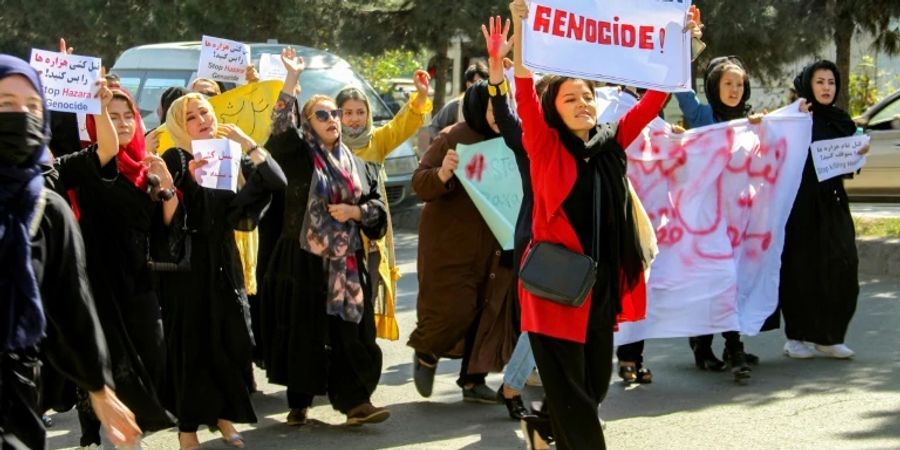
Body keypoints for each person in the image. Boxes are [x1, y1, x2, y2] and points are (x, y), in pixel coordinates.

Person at [509, 0, 668, 446]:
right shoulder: (544, 145)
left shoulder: (613, 139)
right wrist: (523, 31)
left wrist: (681, 48)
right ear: (553, 109)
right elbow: (523, 87)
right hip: (555, 289)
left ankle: (543, 428)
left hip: (600, 289)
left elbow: (655, 98)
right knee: (577, 402)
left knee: (593, 389)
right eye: (570, 98)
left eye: (588, 96)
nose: (583, 104)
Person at [0, 53, 142, 450]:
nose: (21, 117)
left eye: (32, 106)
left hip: (15, 397)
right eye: (6, 106)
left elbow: (72, 308)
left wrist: (100, 390)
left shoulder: (48, 206)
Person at [259, 49, 391, 427]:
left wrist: (356, 212)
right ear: (308, 123)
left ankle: (355, 403)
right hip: (302, 260)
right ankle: (299, 402)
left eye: (334, 113)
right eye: (323, 114)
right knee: (304, 333)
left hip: (346, 264)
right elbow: (279, 130)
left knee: (352, 332)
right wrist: (290, 81)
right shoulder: (297, 156)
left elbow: (377, 210)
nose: (332, 119)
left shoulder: (359, 164)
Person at [155, 93, 287, 449]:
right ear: (180, 126)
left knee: (229, 342)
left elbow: (276, 182)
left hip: (224, 263)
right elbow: (166, 217)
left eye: (205, 113)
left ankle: (224, 416)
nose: (202, 120)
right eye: (192, 116)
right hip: (187, 269)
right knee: (191, 346)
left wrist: (247, 144)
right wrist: (188, 184)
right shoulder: (176, 157)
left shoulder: (229, 156)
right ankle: (188, 430)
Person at [56, 84, 177, 447]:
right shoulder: (95, 166)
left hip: (140, 290)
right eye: (113, 116)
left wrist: (168, 189)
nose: (122, 123)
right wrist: (91, 101)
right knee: (116, 379)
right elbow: (106, 148)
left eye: (128, 116)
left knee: (149, 373)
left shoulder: (147, 172)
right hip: (100, 288)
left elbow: (164, 232)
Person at [409, 72, 517, 403]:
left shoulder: (514, 138)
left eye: (504, 108)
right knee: (454, 309)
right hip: (451, 245)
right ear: (475, 109)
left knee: (489, 309)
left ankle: (473, 380)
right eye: (491, 110)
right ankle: (427, 351)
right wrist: (443, 173)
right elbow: (420, 182)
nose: (499, 116)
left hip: (497, 246)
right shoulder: (453, 137)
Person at [673, 52, 764, 380]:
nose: (735, 89)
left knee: (733, 278)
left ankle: (709, 344)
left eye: (740, 84)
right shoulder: (701, 115)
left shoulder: (749, 118)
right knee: (719, 278)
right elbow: (680, 84)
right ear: (714, 85)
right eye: (728, 83)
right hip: (706, 218)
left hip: (739, 217)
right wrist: (685, 46)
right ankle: (731, 348)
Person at [335, 64, 433, 342]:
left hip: (371, 234)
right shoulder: (327, 142)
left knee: (369, 291)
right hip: (336, 234)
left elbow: (402, 124)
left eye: (360, 112)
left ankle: (362, 347)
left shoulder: (376, 141)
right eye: (348, 112)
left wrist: (421, 95)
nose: (354, 119)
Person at [777, 60, 865, 360]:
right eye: (820, 82)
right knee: (801, 268)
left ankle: (830, 336)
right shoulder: (795, 117)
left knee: (843, 263)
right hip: (800, 203)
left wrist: (857, 153)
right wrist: (794, 120)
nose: (827, 87)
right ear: (807, 85)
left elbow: (844, 166)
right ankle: (797, 336)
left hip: (833, 203)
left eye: (831, 82)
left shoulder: (841, 120)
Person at [480, 18, 540, 420]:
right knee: (545, 319)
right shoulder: (531, 140)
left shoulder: (590, 139)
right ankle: (515, 383)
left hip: (587, 241)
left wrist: (684, 50)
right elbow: (504, 109)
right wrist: (498, 67)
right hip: (540, 241)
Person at [417, 63, 489, 152]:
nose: (481, 87)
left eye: (484, 83)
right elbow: (433, 127)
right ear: (468, 84)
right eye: (477, 82)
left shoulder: (491, 105)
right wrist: (447, 146)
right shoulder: (456, 105)